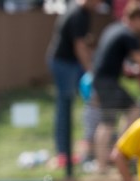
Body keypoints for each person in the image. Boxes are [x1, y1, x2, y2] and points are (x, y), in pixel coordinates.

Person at [90, 0, 140, 174]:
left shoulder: (114, 28)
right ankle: (111, 159)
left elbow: (119, 62)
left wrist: (136, 74)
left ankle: (110, 159)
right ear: (137, 18)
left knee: (120, 115)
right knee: (115, 118)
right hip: (107, 82)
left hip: (103, 80)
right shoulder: (127, 34)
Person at [46, 0, 101, 169]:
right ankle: (64, 153)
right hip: (64, 63)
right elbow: (79, 46)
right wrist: (91, 71)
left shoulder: (83, 12)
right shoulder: (78, 13)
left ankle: (89, 144)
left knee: (92, 100)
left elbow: (85, 43)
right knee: (65, 105)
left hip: (71, 63)